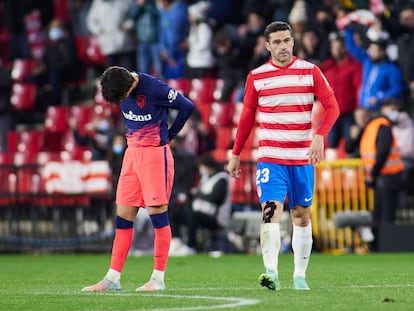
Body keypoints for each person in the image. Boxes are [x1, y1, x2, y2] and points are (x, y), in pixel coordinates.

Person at [227, 21, 339, 291]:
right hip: (271, 157)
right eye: (276, 42)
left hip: (302, 158)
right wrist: (235, 153)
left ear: (293, 41)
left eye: (286, 40)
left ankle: (300, 276)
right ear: (267, 46)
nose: (283, 46)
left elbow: (332, 106)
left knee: (301, 215)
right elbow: (246, 119)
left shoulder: (310, 71)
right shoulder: (257, 76)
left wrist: (320, 135)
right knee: (271, 212)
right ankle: (271, 273)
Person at [81, 65, 195, 292]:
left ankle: (158, 279)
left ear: (128, 89)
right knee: (123, 216)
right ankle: (112, 278)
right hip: (131, 154)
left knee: (157, 214)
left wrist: (171, 135)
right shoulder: (117, 82)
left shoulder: (153, 88)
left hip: (155, 154)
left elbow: (187, 106)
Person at [320, 31, 362, 149]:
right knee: (331, 146)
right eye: (334, 47)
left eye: (339, 47)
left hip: (348, 114)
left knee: (350, 145)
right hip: (331, 114)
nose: (337, 50)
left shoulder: (354, 66)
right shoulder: (327, 67)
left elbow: (358, 89)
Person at [187, 153, 232, 254]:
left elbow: (215, 198)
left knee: (194, 215)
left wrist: (198, 194)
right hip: (205, 213)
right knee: (178, 213)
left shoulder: (222, 179)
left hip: (217, 218)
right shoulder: (206, 179)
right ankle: (177, 240)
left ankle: (192, 246)